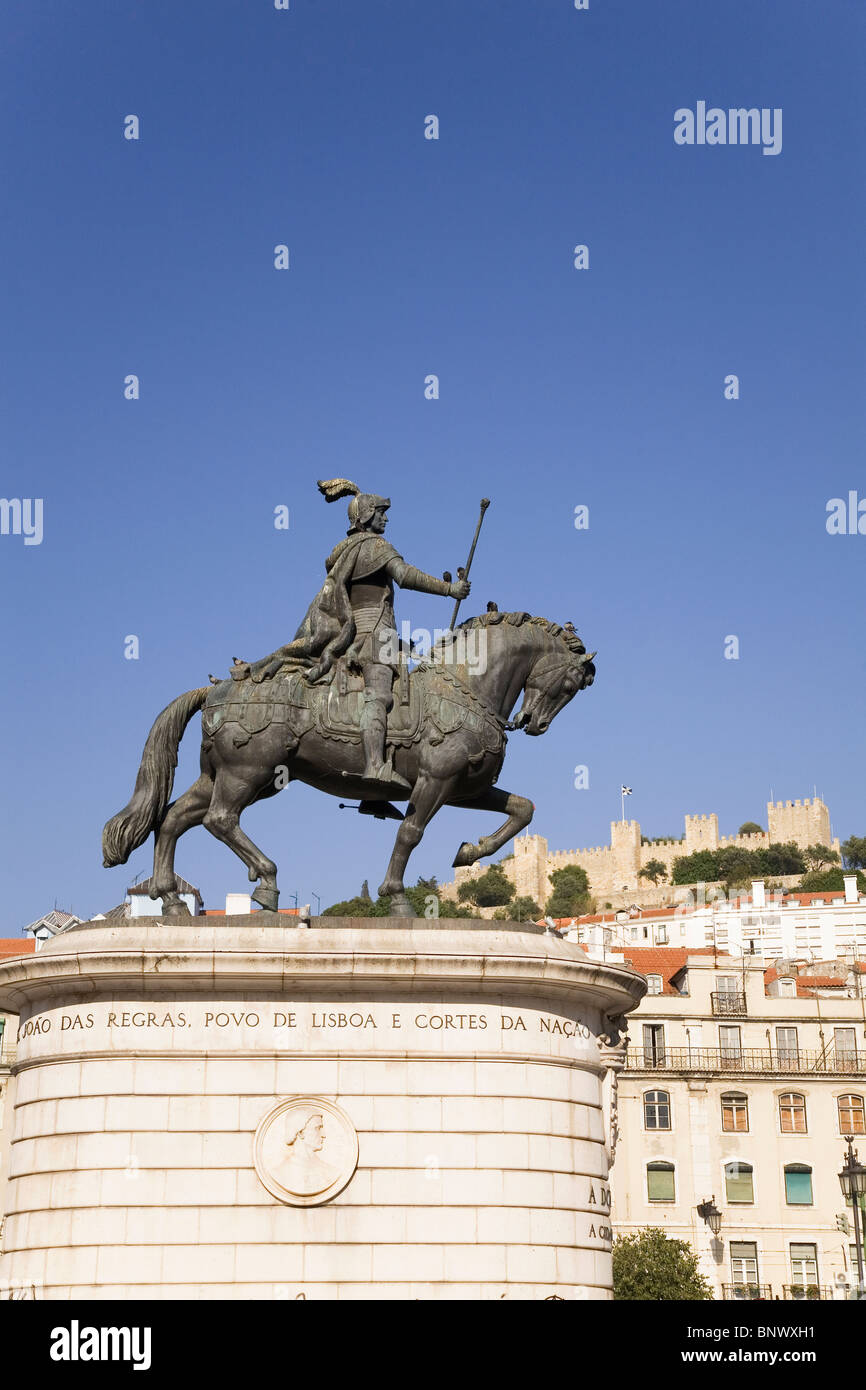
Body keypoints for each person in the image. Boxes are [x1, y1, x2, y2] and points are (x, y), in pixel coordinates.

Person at [247, 479, 469, 791]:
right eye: (381, 512)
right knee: (378, 696)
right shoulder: (375, 547)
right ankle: (374, 766)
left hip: (367, 637)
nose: (386, 518)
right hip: (372, 638)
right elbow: (404, 577)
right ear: (366, 516)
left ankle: (375, 788)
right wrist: (449, 590)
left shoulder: (345, 552)